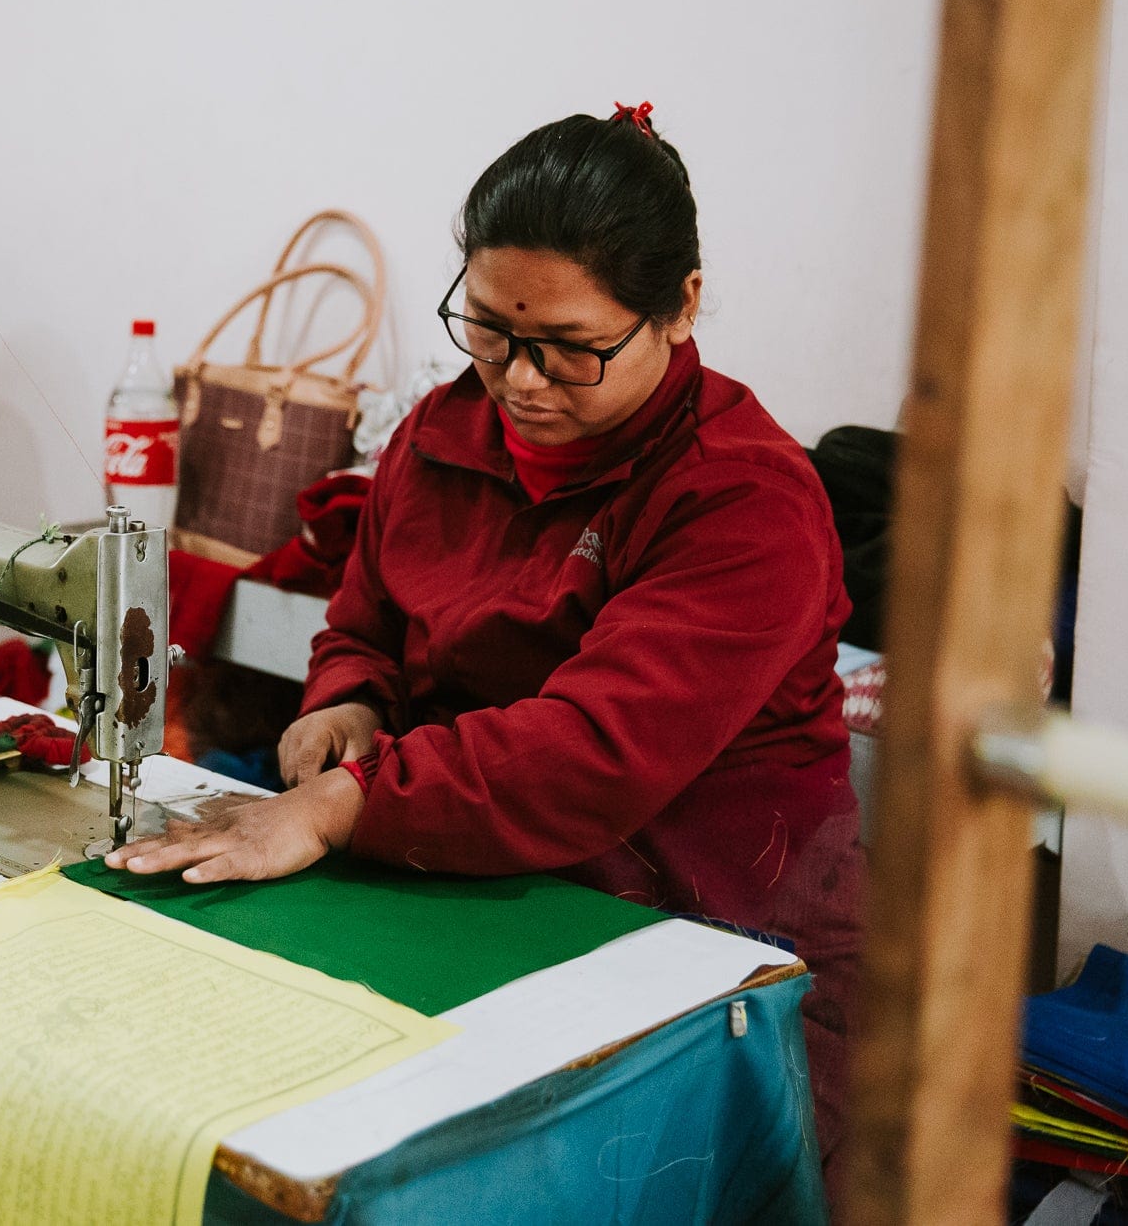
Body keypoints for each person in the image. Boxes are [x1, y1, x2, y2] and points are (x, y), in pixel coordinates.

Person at [107, 105, 862, 1180]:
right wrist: (345, 696)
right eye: (491, 332)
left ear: (680, 307)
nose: (517, 381)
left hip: (717, 941)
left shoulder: (743, 500)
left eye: (570, 349)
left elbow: (587, 751)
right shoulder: (444, 431)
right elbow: (364, 611)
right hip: (471, 879)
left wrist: (343, 802)